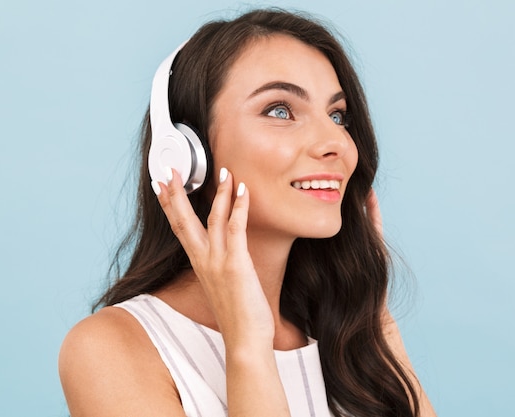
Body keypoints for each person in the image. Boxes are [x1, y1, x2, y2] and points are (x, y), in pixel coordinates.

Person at [59, 8, 437, 417]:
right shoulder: (112, 347)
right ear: (186, 155)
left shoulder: (348, 340)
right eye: (280, 111)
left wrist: (379, 326)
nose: (337, 144)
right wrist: (247, 345)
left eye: (337, 115)